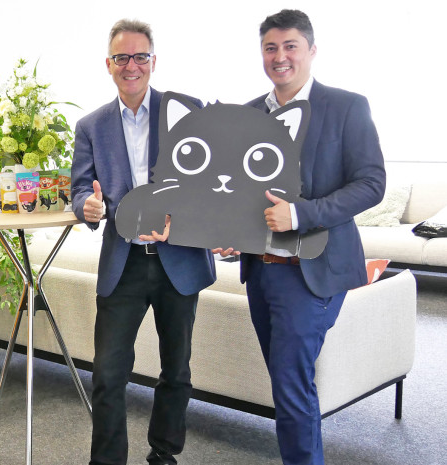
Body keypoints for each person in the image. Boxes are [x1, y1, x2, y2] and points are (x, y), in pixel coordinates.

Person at [228, 9, 386, 465]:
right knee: (287, 383)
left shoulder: (347, 106)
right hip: (262, 271)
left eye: (290, 46)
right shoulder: (248, 114)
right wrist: (231, 233)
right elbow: (243, 194)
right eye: (271, 48)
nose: (280, 57)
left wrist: (300, 214)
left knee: (291, 385)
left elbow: (371, 183)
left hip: (314, 271)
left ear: (311, 51)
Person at [71, 19, 216, 465]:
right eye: (122, 58)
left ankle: (164, 455)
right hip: (124, 263)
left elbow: (212, 184)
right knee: (108, 373)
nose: (131, 66)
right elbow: (79, 191)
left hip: (180, 260)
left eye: (140, 57)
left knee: (176, 371)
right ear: (108, 64)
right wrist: (86, 209)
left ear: (153, 61)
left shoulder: (188, 112)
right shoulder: (90, 125)